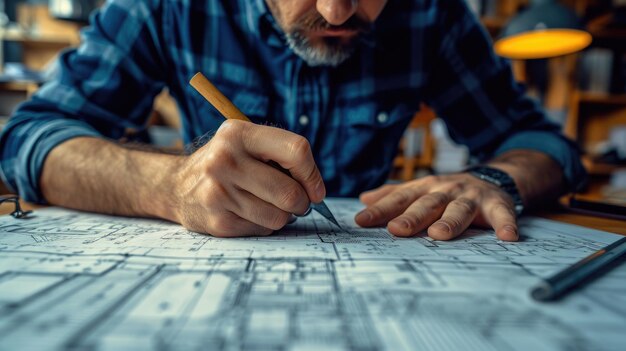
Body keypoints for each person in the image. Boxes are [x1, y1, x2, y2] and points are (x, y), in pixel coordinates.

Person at [0, 0, 585, 240]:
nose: (337, 11)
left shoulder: (433, 15)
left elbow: (541, 145)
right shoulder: (167, 6)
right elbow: (28, 137)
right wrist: (171, 187)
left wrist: (495, 179)